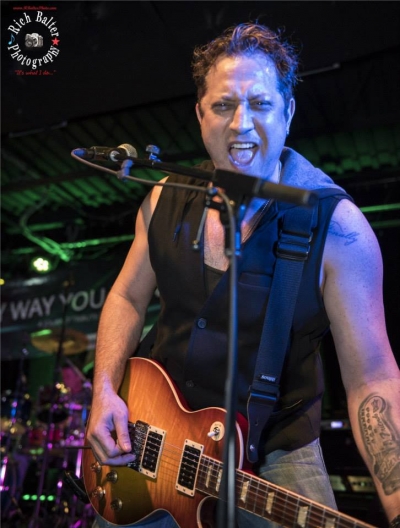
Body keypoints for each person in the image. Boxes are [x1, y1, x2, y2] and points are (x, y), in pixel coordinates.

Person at [87, 23, 400, 528]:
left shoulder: (338, 229)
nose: (241, 125)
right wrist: (103, 390)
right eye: (224, 105)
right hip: (153, 434)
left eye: (260, 104)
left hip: (275, 446)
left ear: (289, 112)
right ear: (200, 115)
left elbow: (374, 378)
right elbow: (126, 296)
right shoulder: (164, 197)